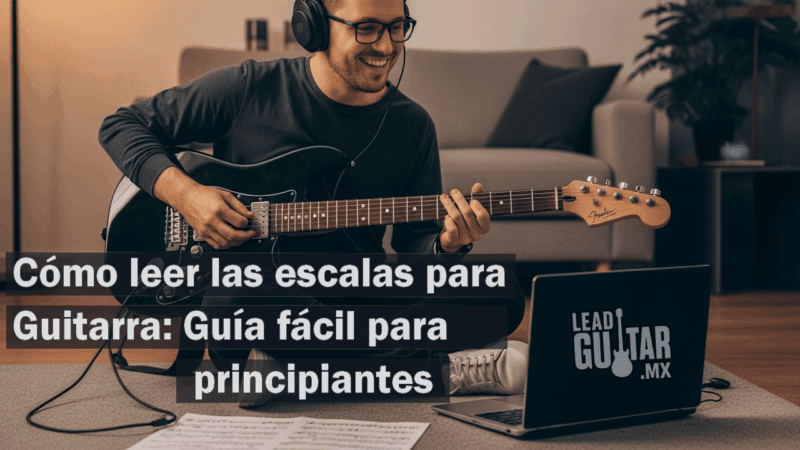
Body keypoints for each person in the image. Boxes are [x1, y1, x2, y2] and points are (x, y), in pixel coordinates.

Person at [99, 0, 527, 406]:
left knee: (501, 289)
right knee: (231, 299)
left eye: (398, 27)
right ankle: (433, 371)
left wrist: (447, 247)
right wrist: (186, 195)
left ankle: (296, 369)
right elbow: (122, 124)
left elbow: (416, 248)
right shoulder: (248, 88)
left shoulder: (412, 126)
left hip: (364, 296)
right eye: (367, 28)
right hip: (268, 298)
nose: (386, 46)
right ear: (314, 25)